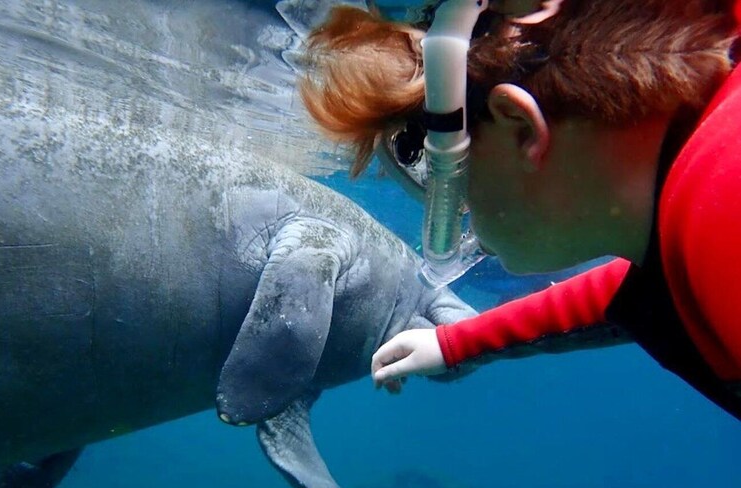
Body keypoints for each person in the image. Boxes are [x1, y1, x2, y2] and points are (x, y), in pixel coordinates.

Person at [300, 0, 741, 417]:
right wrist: (457, 342)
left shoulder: (724, 223)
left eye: (437, 169)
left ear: (520, 129)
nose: (454, 210)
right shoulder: (698, 209)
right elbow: (636, 294)